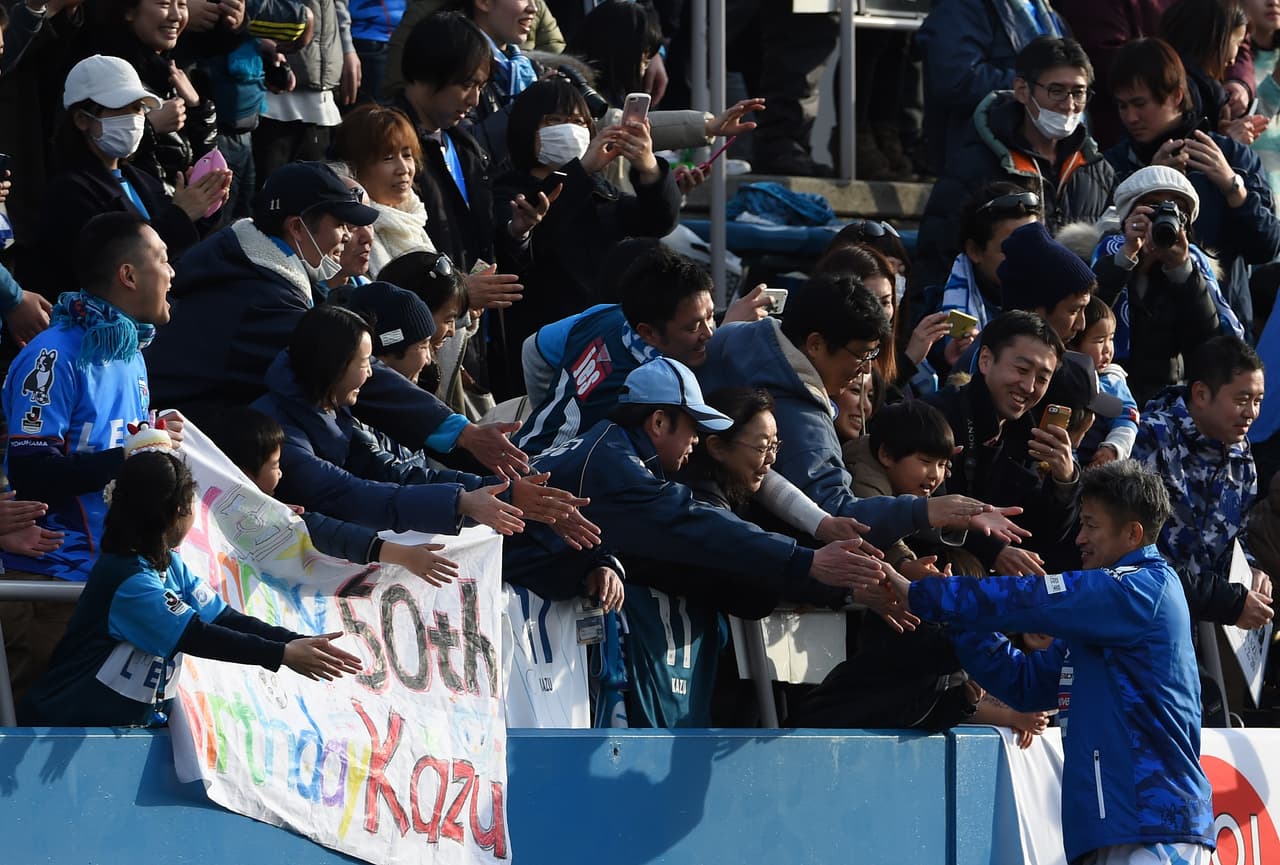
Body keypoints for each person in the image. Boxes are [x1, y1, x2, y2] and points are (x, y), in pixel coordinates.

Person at [885, 459, 1214, 865]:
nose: (1079, 538)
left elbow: (1033, 597)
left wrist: (925, 595)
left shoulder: (1141, 588)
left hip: (1151, 828)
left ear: (1133, 533)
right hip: (1116, 826)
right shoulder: (1102, 614)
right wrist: (955, 616)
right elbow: (1027, 684)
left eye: (1091, 525)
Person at [144, 161, 531, 479]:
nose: (348, 237)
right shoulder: (260, 298)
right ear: (297, 227)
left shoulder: (260, 270)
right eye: (341, 224)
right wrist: (460, 432)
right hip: (187, 453)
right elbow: (350, 367)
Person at [19, 450, 364, 727]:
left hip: (110, 730)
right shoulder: (128, 580)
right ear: (174, 514)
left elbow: (223, 618)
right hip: (62, 726)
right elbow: (196, 634)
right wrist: (281, 656)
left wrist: (291, 640)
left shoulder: (167, 563)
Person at [699, 273, 1028, 550]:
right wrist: (927, 511)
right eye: (860, 355)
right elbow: (839, 515)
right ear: (815, 344)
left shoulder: (734, 336)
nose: (865, 370)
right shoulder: (800, 420)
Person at [1, 213, 184, 700]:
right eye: (162, 260)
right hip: (53, 586)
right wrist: (133, 457)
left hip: (114, 582)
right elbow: (31, 469)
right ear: (128, 275)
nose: (172, 273)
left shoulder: (131, 353)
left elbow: (123, 460)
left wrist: (155, 441)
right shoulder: (54, 356)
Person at [250, 302, 594, 544]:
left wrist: (499, 489)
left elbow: (395, 474)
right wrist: (458, 502)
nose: (371, 374)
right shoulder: (278, 430)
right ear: (333, 366)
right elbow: (347, 494)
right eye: (363, 362)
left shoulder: (331, 411)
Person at [492, 77, 680, 398]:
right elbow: (532, 238)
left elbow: (657, 221)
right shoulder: (508, 190)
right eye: (554, 121)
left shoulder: (600, 191)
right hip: (543, 347)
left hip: (604, 344)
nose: (569, 129)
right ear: (527, 128)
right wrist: (580, 169)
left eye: (579, 121)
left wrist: (648, 166)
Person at [17, 54, 229, 302]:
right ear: (82, 119)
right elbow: (120, 266)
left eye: (139, 108)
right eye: (120, 108)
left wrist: (205, 206)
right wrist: (182, 215)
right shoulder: (68, 191)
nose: (134, 118)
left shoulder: (141, 179)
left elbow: (178, 248)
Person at [1107, 37, 1280, 335]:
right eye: (1122, 106)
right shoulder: (1113, 164)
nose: (1130, 117)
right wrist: (1145, 181)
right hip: (1137, 338)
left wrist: (1233, 187)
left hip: (1221, 332)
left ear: (1176, 96)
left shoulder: (1230, 157)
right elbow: (1102, 249)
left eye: (1140, 104)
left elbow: (1266, 247)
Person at [915, 36, 1114, 291]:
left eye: (1078, 92)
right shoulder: (976, 165)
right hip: (996, 322)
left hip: (1077, 323)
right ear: (1022, 90)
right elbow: (937, 258)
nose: (1069, 105)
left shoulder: (1098, 170)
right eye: (1056, 91)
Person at [212, 406, 460, 586]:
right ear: (245, 473)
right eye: (275, 464)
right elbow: (327, 532)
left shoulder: (229, 507)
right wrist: (402, 554)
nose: (281, 472)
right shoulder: (254, 516)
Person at [1132, 335, 1274, 634]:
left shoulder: (1240, 453)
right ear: (1200, 394)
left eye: (1258, 401)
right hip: (1143, 615)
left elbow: (1237, 537)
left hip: (1203, 624)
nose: (1251, 413)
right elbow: (1128, 549)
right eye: (1241, 400)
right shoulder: (1151, 438)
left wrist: (1251, 571)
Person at [923, 310, 1079, 575]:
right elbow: (919, 507)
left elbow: (1043, 533)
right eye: (1021, 369)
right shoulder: (936, 415)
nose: (1029, 387)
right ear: (985, 360)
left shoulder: (1027, 436)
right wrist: (993, 551)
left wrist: (1064, 482)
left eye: (1042, 378)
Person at [1091, 164, 1225, 407]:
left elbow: (1209, 346)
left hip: (1169, 404)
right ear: (1128, 216)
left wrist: (1182, 272)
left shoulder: (1194, 271)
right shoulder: (1102, 258)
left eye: (1175, 210)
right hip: (1108, 400)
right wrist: (1126, 259)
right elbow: (1086, 318)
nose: (1163, 218)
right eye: (1153, 207)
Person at [916, 0, 1064, 176]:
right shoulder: (962, 6)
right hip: (984, 169)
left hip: (1050, 164)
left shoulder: (1043, 9)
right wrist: (1038, 84)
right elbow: (958, 81)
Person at [910, 180, 1041, 371]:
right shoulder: (941, 319)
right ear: (975, 251)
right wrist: (962, 358)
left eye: (1035, 245)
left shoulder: (1056, 301)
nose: (1027, 258)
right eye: (1011, 249)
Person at [91, 0, 218, 192]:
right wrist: (147, 127)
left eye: (182, 4)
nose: (176, 16)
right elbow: (93, 158)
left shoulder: (175, 74)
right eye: (164, 4)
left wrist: (199, 110)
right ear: (129, 11)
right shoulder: (104, 75)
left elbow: (207, 175)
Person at [330, 103, 437, 276]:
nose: (404, 169)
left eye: (407, 155)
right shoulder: (350, 239)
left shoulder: (412, 218)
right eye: (388, 158)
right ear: (356, 167)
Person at [1068, 297, 1140, 466]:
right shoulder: (1059, 376)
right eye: (1099, 341)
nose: (1108, 349)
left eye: (1111, 338)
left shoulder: (1112, 380)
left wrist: (1113, 448)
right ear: (1072, 345)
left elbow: (1127, 420)